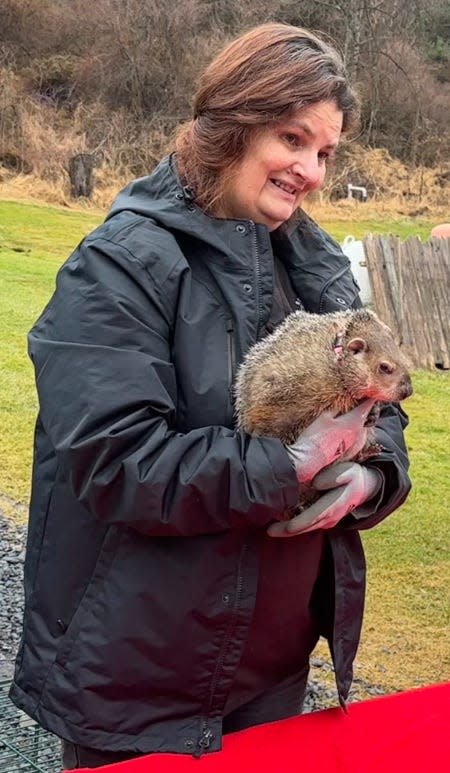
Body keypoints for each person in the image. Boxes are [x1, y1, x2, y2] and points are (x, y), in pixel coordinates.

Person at [10, 22, 411, 769]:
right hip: (138, 677)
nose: (312, 170)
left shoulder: (317, 264)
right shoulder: (119, 266)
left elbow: (382, 407)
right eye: (292, 139)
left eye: (326, 152)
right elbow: (116, 460)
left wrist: (370, 472)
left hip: (273, 670)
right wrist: (288, 466)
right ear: (232, 121)